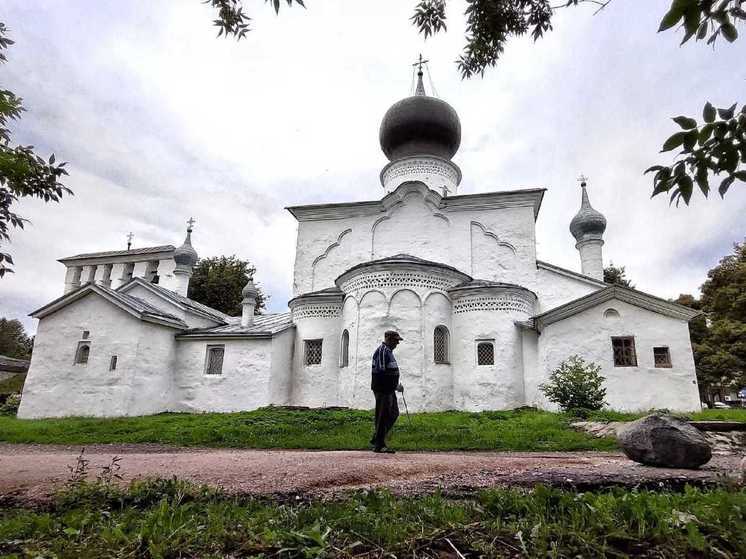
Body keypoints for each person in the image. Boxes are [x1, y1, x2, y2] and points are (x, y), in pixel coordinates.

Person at [370, 330, 404, 453]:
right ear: (389, 339)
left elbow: (389, 372)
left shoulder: (388, 352)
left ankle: (377, 438)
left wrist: (395, 385)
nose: (397, 344)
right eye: (396, 341)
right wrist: (395, 386)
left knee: (394, 413)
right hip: (383, 390)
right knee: (382, 416)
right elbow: (382, 373)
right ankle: (379, 444)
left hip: (389, 389)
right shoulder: (383, 351)